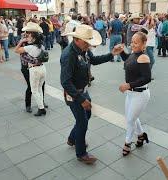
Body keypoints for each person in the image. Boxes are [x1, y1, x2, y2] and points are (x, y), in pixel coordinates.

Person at [60, 24, 122, 164]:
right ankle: (81, 153)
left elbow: (94, 60)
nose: (89, 44)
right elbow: (65, 82)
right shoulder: (69, 55)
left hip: (83, 90)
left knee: (86, 115)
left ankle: (72, 138)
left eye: (89, 41)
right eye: (86, 41)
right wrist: (81, 99)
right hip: (74, 94)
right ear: (77, 39)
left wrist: (112, 54)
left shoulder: (84, 49)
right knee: (82, 123)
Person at [118, 32, 151, 156]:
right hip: (131, 94)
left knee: (130, 119)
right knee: (131, 117)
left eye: (136, 42)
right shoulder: (133, 54)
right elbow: (128, 60)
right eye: (132, 42)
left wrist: (128, 85)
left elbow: (147, 78)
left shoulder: (144, 57)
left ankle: (127, 143)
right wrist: (121, 51)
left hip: (140, 94)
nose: (132, 44)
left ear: (143, 44)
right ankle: (141, 135)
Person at [15, 22, 47, 116]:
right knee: (40, 88)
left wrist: (21, 42)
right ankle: (41, 106)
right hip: (42, 68)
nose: (27, 36)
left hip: (34, 69)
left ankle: (41, 108)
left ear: (33, 36)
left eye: (29, 34)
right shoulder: (41, 46)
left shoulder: (29, 47)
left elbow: (16, 50)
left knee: (34, 90)